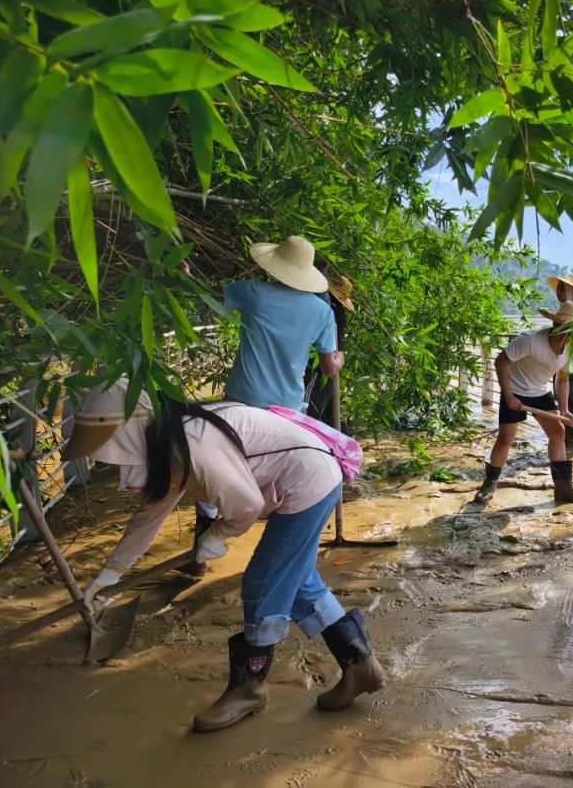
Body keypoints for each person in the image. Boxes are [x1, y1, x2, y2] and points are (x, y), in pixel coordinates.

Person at [65, 379, 385, 732]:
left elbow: (245, 504)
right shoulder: (169, 441)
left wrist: (217, 534)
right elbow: (150, 515)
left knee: (263, 584)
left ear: (129, 433)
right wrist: (110, 575)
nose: (109, 463)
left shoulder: (192, 443)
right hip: (306, 476)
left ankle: (249, 689)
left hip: (308, 482)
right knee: (296, 581)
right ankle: (359, 665)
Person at [193, 236, 345, 573]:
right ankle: (267, 545)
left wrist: (187, 275)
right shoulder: (322, 312)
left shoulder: (253, 292)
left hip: (240, 401)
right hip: (285, 412)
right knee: (274, 475)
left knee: (212, 466)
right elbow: (328, 367)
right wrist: (339, 359)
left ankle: (204, 537)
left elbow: (210, 297)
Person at [473, 300, 573, 506]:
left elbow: (562, 379)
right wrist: (508, 395)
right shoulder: (530, 339)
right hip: (514, 389)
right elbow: (501, 362)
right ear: (560, 327)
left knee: (558, 432)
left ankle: (563, 489)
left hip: (540, 392)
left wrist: (564, 409)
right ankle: (489, 484)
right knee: (506, 438)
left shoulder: (571, 348)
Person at [304, 276, 354, 427]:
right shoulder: (335, 310)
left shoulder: (329, 311)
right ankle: (345, 439)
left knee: (308, 412)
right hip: (330, 363)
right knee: (331, 415)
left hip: (320, 366)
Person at [547, 272, 573, 457]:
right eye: (558, 288)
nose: (559, 292)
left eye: (562, 288)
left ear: (571, 291)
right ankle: (567, 437)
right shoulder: (569, 308)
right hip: (565, 355)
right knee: (565, 394)